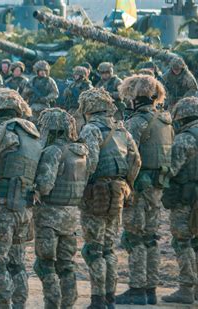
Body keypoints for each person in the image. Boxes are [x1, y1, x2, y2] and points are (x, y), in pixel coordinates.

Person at [78, 88, 141, 309]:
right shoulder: (122, 129)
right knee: (109, 249)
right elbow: (136, 161)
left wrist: (83, 187)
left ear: (88, 108)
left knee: (94, 249)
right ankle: (110, 298)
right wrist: (127, 185)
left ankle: (97, 301)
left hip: (96, 194)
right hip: (118, 192)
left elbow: (91, 162)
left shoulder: (90, 129)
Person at [116, 75, 173, 305]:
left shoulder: (136, 122)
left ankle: (137, 289)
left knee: (134, 238)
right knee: (151, 238)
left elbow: (128, 155)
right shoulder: (165, 122)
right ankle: (150, 289)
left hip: (139, 187)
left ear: (135, 97)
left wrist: (125, 184)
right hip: (158, 187)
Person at [0, 88, 43, 309]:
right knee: (18, 263)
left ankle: (4, 305)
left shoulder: (0, 132)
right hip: (25, 208)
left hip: (2, 207)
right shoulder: (34, 134)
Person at [162, 97, 198, 304]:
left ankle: (186, 288)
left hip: (185, 197)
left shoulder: (185, 138)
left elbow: (172, 169)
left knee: (182, 241)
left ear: (182, 116)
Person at [33, 108, 89, 309]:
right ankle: (68, 303)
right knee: (66, 265)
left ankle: (52, 303)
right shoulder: (81, 152)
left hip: (50, 216)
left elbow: (45, 185)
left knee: (45, 265)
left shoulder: (53, 152)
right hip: (71, 215)